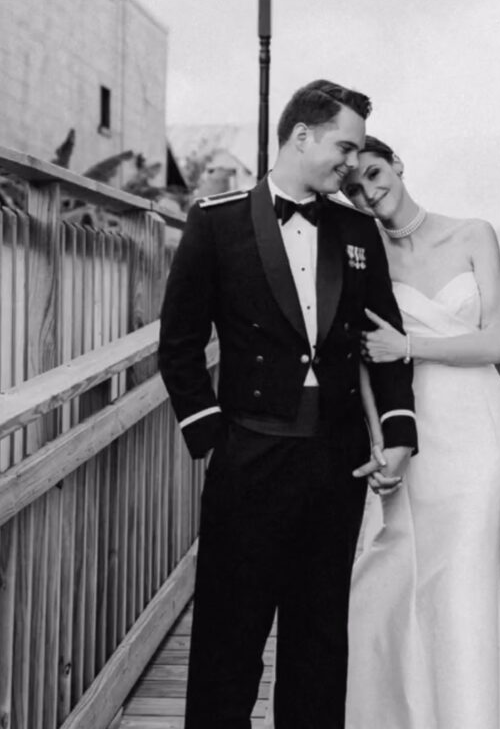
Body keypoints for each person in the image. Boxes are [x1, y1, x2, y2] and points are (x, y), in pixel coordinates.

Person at [158, 84, 417, 729]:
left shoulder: (357, 229)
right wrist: (213, 435)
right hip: (248, 454)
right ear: (302, 135)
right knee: (228, 637)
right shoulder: (216, 221)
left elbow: (384, 342)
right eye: (345, 146)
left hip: (336, 463)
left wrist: (398, 432)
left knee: (320, 641)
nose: (353, 164)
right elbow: (180, 345)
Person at [343, 136, 500, 729]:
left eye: (375, 174)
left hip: (479, 422)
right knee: (405, 563)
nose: (368, 192)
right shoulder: (363, 252)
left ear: (397, 163)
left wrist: (410, 345)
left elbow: (498, 342)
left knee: (466, 569)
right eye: (353, 187)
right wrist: (379, 437)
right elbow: (361, 358)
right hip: (413, 424)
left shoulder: (474, 233)